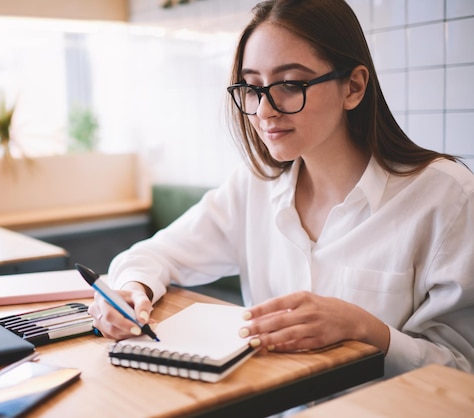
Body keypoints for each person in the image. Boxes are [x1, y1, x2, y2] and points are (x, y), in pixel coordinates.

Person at [87, 0, 474, 379]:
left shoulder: (447, 197)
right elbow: (155, 254)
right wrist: (130, 290)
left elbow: (463, 370)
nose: (264, 111)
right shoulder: (254, 186)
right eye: (253, 88)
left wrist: (369, 331)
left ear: (353, 87)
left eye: (289, 84)